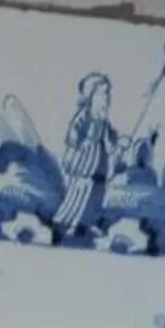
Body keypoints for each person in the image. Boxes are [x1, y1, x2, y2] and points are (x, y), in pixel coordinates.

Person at [52, 71, 117, 238]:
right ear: (91, 96)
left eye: (108, 93)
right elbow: (73, 137)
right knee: (79, 195)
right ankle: (68, 222)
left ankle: (87, 223)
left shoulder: (104, 121)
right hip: (84, 165)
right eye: (103, 93)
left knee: (96, 195)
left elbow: (111, 139)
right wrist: (85, 140)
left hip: (99, 167)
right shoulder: (83, 117)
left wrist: (116, 143)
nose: (107, 98)